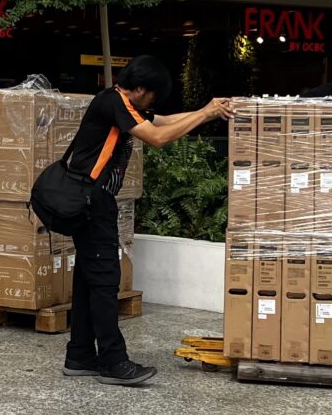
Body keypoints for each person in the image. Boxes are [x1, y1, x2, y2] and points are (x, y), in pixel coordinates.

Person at [61, 56, 232, 386]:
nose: (153, 102)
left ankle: (79, 355)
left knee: (88, 280)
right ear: (140, 89)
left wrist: (208, 110)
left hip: (91, 202)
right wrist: (206, 113)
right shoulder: (113, 101)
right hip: (91, 204)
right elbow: (158, 137)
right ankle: (113, 361)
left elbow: (164, 121)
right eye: (152, 95)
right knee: (106, 282)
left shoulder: (123, 104)